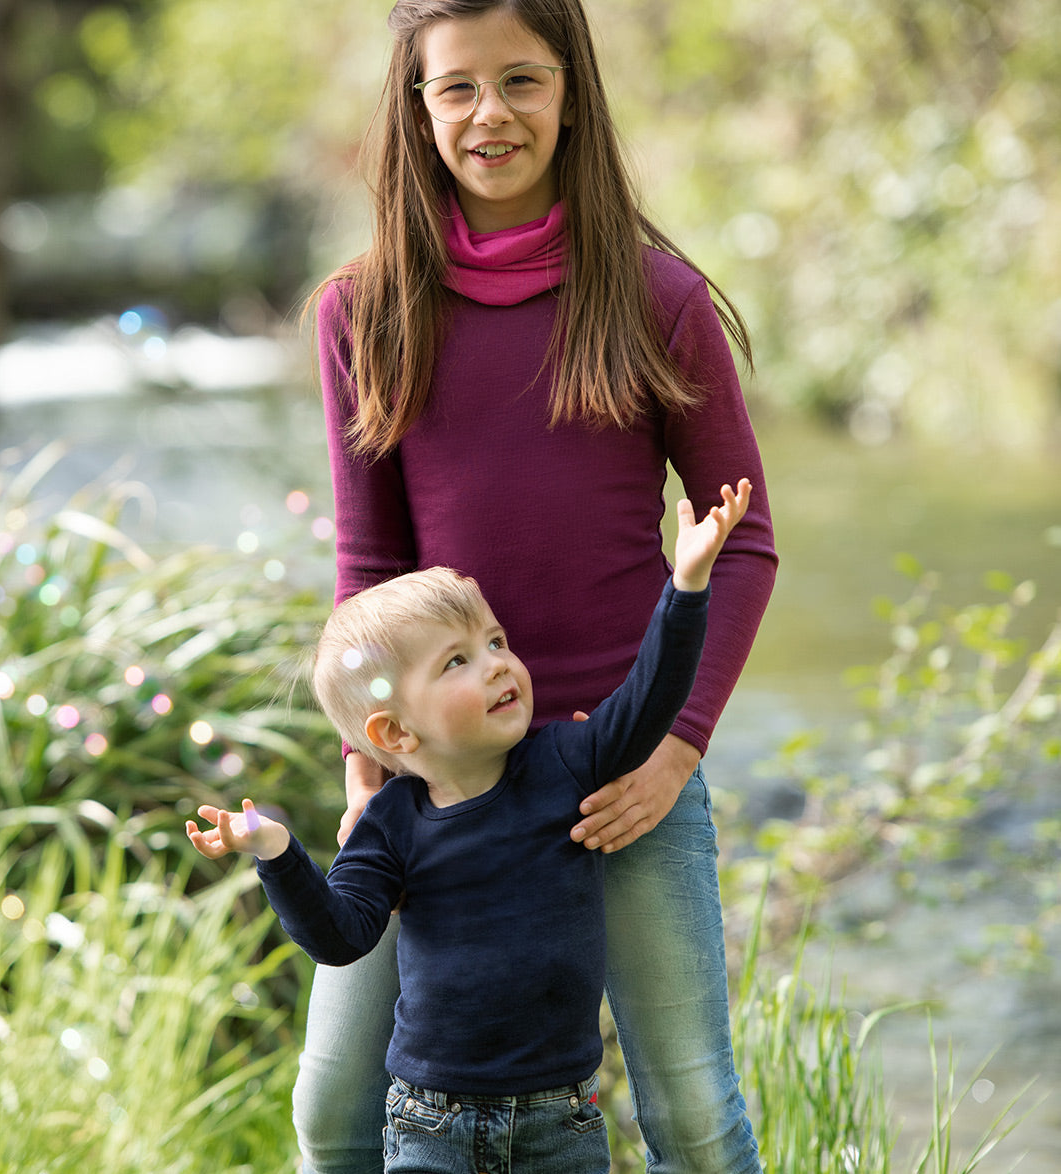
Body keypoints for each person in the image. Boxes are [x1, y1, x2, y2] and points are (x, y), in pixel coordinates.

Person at [301, 2, 778, 1171]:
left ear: (571, 92)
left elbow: (744, 539)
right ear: (416, 109)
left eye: (521, 80)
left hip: (620, 773)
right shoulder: (363, 311)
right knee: (332, 1113)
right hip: (439, 782)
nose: (490, 114)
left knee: (692, 1119)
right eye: (456, 87)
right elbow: (369, 566)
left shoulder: (656, 299)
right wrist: (371, 766)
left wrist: (673, 753)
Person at [186, 481, 753, 1174]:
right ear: (393, 731)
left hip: (561, 1123)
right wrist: (277, 853)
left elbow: (648, 700)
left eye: (495, 641)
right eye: (459, 661)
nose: (499, 666)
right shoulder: (390, 823)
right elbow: (341, 936)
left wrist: (686, 588)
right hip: (429, 1128)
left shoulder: (564, 762)